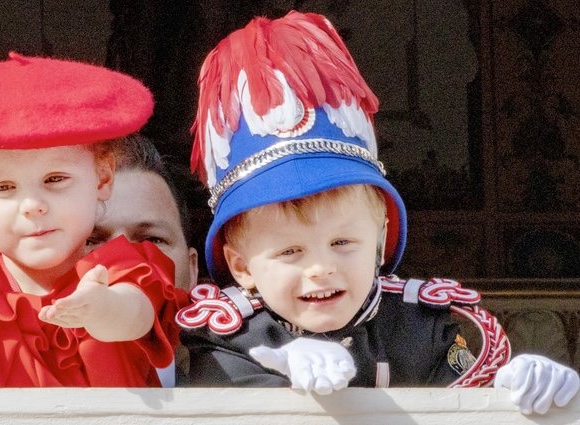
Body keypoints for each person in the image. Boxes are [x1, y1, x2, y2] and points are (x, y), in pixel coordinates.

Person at [175, 11, 579, 415]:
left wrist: (517, 393)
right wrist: (283, 388)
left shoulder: (421, 327)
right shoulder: (226, 337)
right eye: (290, 252)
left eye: (342, 242)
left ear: (380, 242)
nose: (320, 267)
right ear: (241, 266)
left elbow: (468, 405)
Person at [0, 52, 188, 388]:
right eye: (4, 187)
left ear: (102, 178)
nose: (33, 205)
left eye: (55, 179)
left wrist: (103, 308)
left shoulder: (124, 268)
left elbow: (133, 314)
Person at [86, 134, 200, 386]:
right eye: (91, 240)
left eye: (150, 240)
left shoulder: (254, 376)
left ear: (192, 269)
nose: (126, 261)